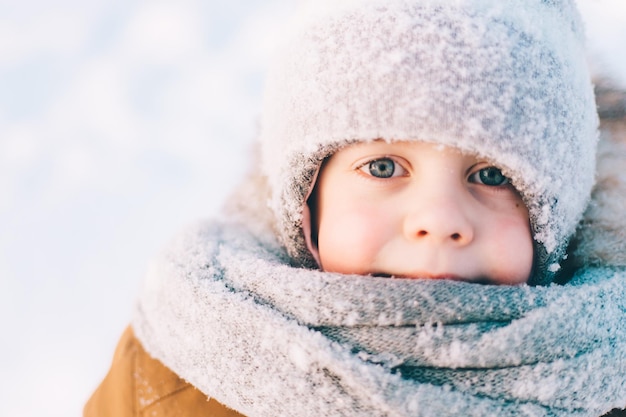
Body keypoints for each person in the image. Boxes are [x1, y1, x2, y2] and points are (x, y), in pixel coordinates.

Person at [84, 0, 626, 416]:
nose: (437, 220)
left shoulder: (608, 373)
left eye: (491, 175)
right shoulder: (187, 361)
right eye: (384, 168)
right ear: (305, 206)